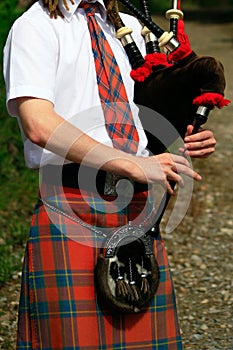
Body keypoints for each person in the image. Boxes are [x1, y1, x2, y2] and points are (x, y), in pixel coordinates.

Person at [3, 0, 216, 348]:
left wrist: (182, 135)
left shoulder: (128, 27)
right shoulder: (36, 26)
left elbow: (144, 115)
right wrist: (129, 163)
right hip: (70, 205)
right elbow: (38, 123)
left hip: (136, 210)